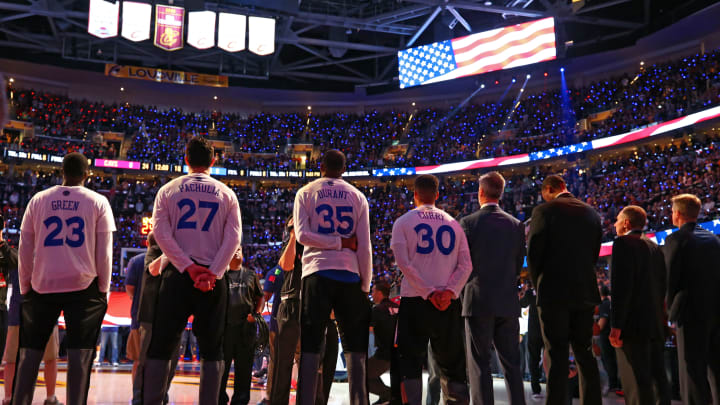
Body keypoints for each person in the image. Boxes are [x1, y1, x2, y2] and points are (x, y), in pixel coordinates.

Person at [143, 137, 242, 404]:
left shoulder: (168, 190)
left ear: (185, 159)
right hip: (212, 279)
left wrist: (188, 267)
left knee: (162, 344)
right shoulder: (227, 193)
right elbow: (234, 239)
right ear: (213, 161)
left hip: (177, 276)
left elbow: (159, 233)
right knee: (212, 350)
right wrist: (212, 272)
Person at [15, 152, 115, 405]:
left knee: (29, 354)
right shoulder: (98, 201)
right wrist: (103, 289)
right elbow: (104, 251)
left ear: (62, 172)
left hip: (42, 284)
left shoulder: (38, 200)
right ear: (86, 174)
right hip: (84, 286)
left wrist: (26, 286)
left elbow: (25, 248)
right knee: (79, 358)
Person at [293, 149, 372, 405]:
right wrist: (365, 283)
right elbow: (364, 245)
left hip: (317, 271)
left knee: (311, 343)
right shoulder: (358, 196)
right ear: (344, 168)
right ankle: (359, 401)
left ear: (321, 166)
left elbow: (302, 236)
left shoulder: (305, 192)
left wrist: (333, 243)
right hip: (350, 275)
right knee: (355, 346)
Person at [390, 174, 472, 405]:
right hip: (447, 303)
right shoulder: (454, 224)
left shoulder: (403, 222)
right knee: (453, 364)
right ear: (437, 195)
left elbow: (404, 264)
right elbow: (466, 265)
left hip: (415, 300)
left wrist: (428, 292)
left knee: (410, 362)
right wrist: (448, 292)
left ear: (415, 195)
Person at [527, 174, 602, 405]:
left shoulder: (544, 211)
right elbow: (594, 253)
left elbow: (534, 255)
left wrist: (536, 284)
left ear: (549, 189)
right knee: (585, 353)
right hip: (585, 293)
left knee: (556, 355)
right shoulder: (591, 212)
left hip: (553, 294)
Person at [459, 171, 526, 405]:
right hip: (507, 301)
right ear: (501, 192)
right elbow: (518, 264)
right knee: (512, 365)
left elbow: (463, 265)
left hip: (477, 301)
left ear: (480, 192)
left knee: (479, 364)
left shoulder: (468, 223)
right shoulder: (516, 225)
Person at [608, 205, 670, 405]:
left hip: (633, 326)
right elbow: (663, 287)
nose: (615, 224)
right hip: (655, 324)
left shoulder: (622, 244)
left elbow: (621, 288)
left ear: (626, 223)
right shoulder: (653, 246)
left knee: (637, 381)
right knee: (659, 378)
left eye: (617, 220)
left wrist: (616, 325)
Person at [664, 194, 720, 404]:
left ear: (677, 214)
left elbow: (670, 279)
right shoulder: (714, 239)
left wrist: (669, 312)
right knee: (716, 367)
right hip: (716, 311)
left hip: (689, 314)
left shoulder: (676, 239)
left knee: (692, 371)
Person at [219, 250, 264, 405]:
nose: (237, 252)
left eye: (240, 250)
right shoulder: (221, 274)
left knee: (244, 369)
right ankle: (220, 399)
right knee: (221, 368)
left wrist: (256, 314)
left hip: (246, 329)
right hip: (225, 329)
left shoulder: (251, 275)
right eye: (234, 250)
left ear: (243, 255)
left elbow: (260, 297)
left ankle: (241, 400)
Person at [368, 280, 398, 405]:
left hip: (385, 354)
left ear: (380, 293)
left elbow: (370, 329)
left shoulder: (377, 309)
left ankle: (388, 395)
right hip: (399, 352)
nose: (372, 294)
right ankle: (386, 397)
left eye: (373, 291)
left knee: (361, 374)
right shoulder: (397, 307)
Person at [258, 263, 284, 405]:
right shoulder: (306, 266)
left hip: (278, 321)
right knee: (302, 360)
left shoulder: (276, 271)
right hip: (303, 321)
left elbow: (266, 296)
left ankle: (270, 398)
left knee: (275, 360)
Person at [519, 281, 543, 398]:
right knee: (551, 359)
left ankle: (536, 390)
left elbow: (522, 304)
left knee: (533, 360)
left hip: (534, 331)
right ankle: (553, 387)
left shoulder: (530, 293)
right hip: (549, 330)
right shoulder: (551, 289)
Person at [125, 251, 146, 383]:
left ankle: (137, 395)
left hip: (139, 317)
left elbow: (129, 287)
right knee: (160, 361)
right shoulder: (173, 259)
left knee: (138, 360)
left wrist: (136, 298)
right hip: (163, 319)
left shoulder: (136, 261)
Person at [595, 286, 619, 393]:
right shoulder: (608, 303)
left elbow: (602, 322)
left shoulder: (604, 304)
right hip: (610, 335)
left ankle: (612, 384)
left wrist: (594, 332)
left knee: (607, 360)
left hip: (605, 336)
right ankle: (613, 384)